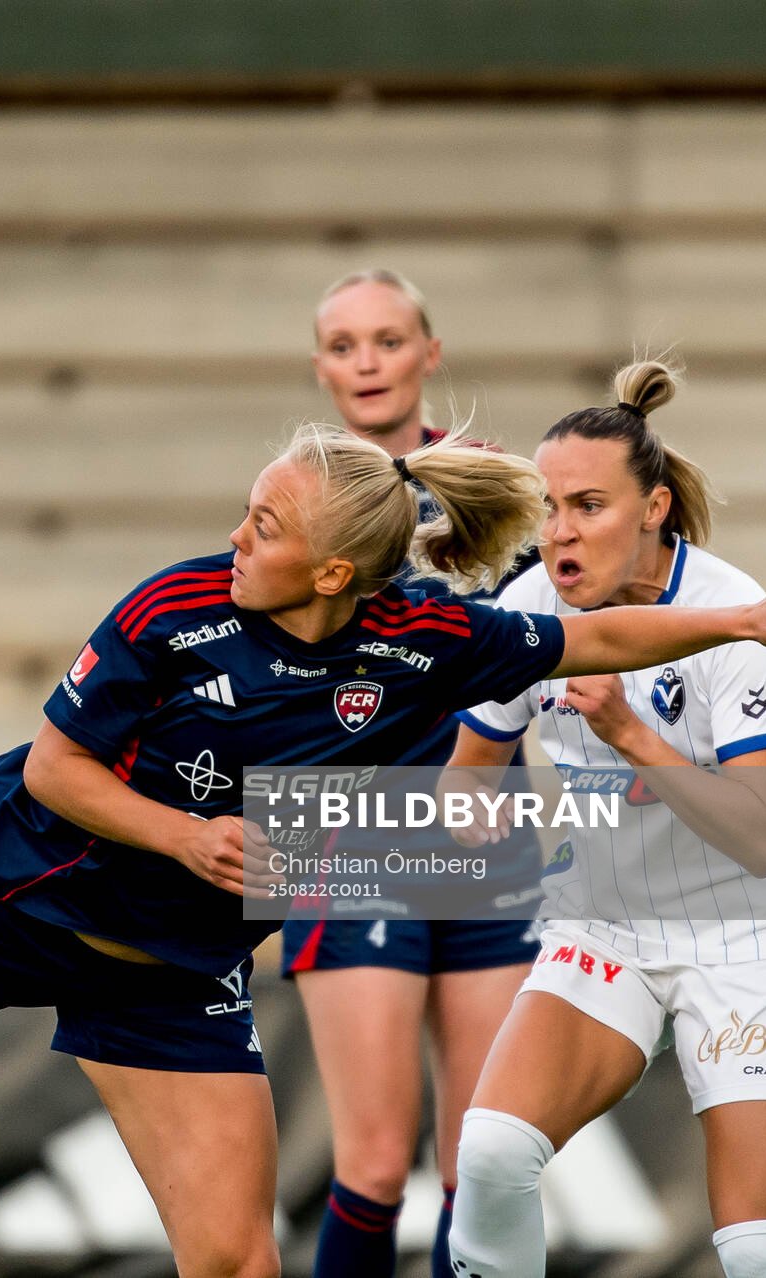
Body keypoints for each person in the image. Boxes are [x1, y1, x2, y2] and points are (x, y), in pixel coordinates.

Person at [0, 423, 766, 1278]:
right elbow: (55, 769)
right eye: (248, 513)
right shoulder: (173, 612)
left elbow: (590, 639)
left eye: (265, 526)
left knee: (239, 1264)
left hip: (170, 979)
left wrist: (743, 619)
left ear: (334, 574)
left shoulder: (426, 638)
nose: (234, 539)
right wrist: (184, 834)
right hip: (22, 892)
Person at [444, 361, 766, 1278]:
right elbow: (469, 777)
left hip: (745, 935)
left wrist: (628, 734)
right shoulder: (528, 610)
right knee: (492, 1153)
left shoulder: (736, 618)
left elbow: (761, 836)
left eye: (589, 506)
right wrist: (472, 819)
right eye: (549, 508)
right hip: (605, 924)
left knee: (759, 1253)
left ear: (655, 508)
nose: (559, 533)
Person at [283, 269, 546, 1278]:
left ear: (429, 354)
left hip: (488, 833)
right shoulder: (296, 496)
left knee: (483, 1162)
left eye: (388, 340)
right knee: (375, 1163)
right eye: (344, 345)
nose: (367, 363)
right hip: (344, 831)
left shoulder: (491, 485)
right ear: (320, 366)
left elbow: (556, 637)